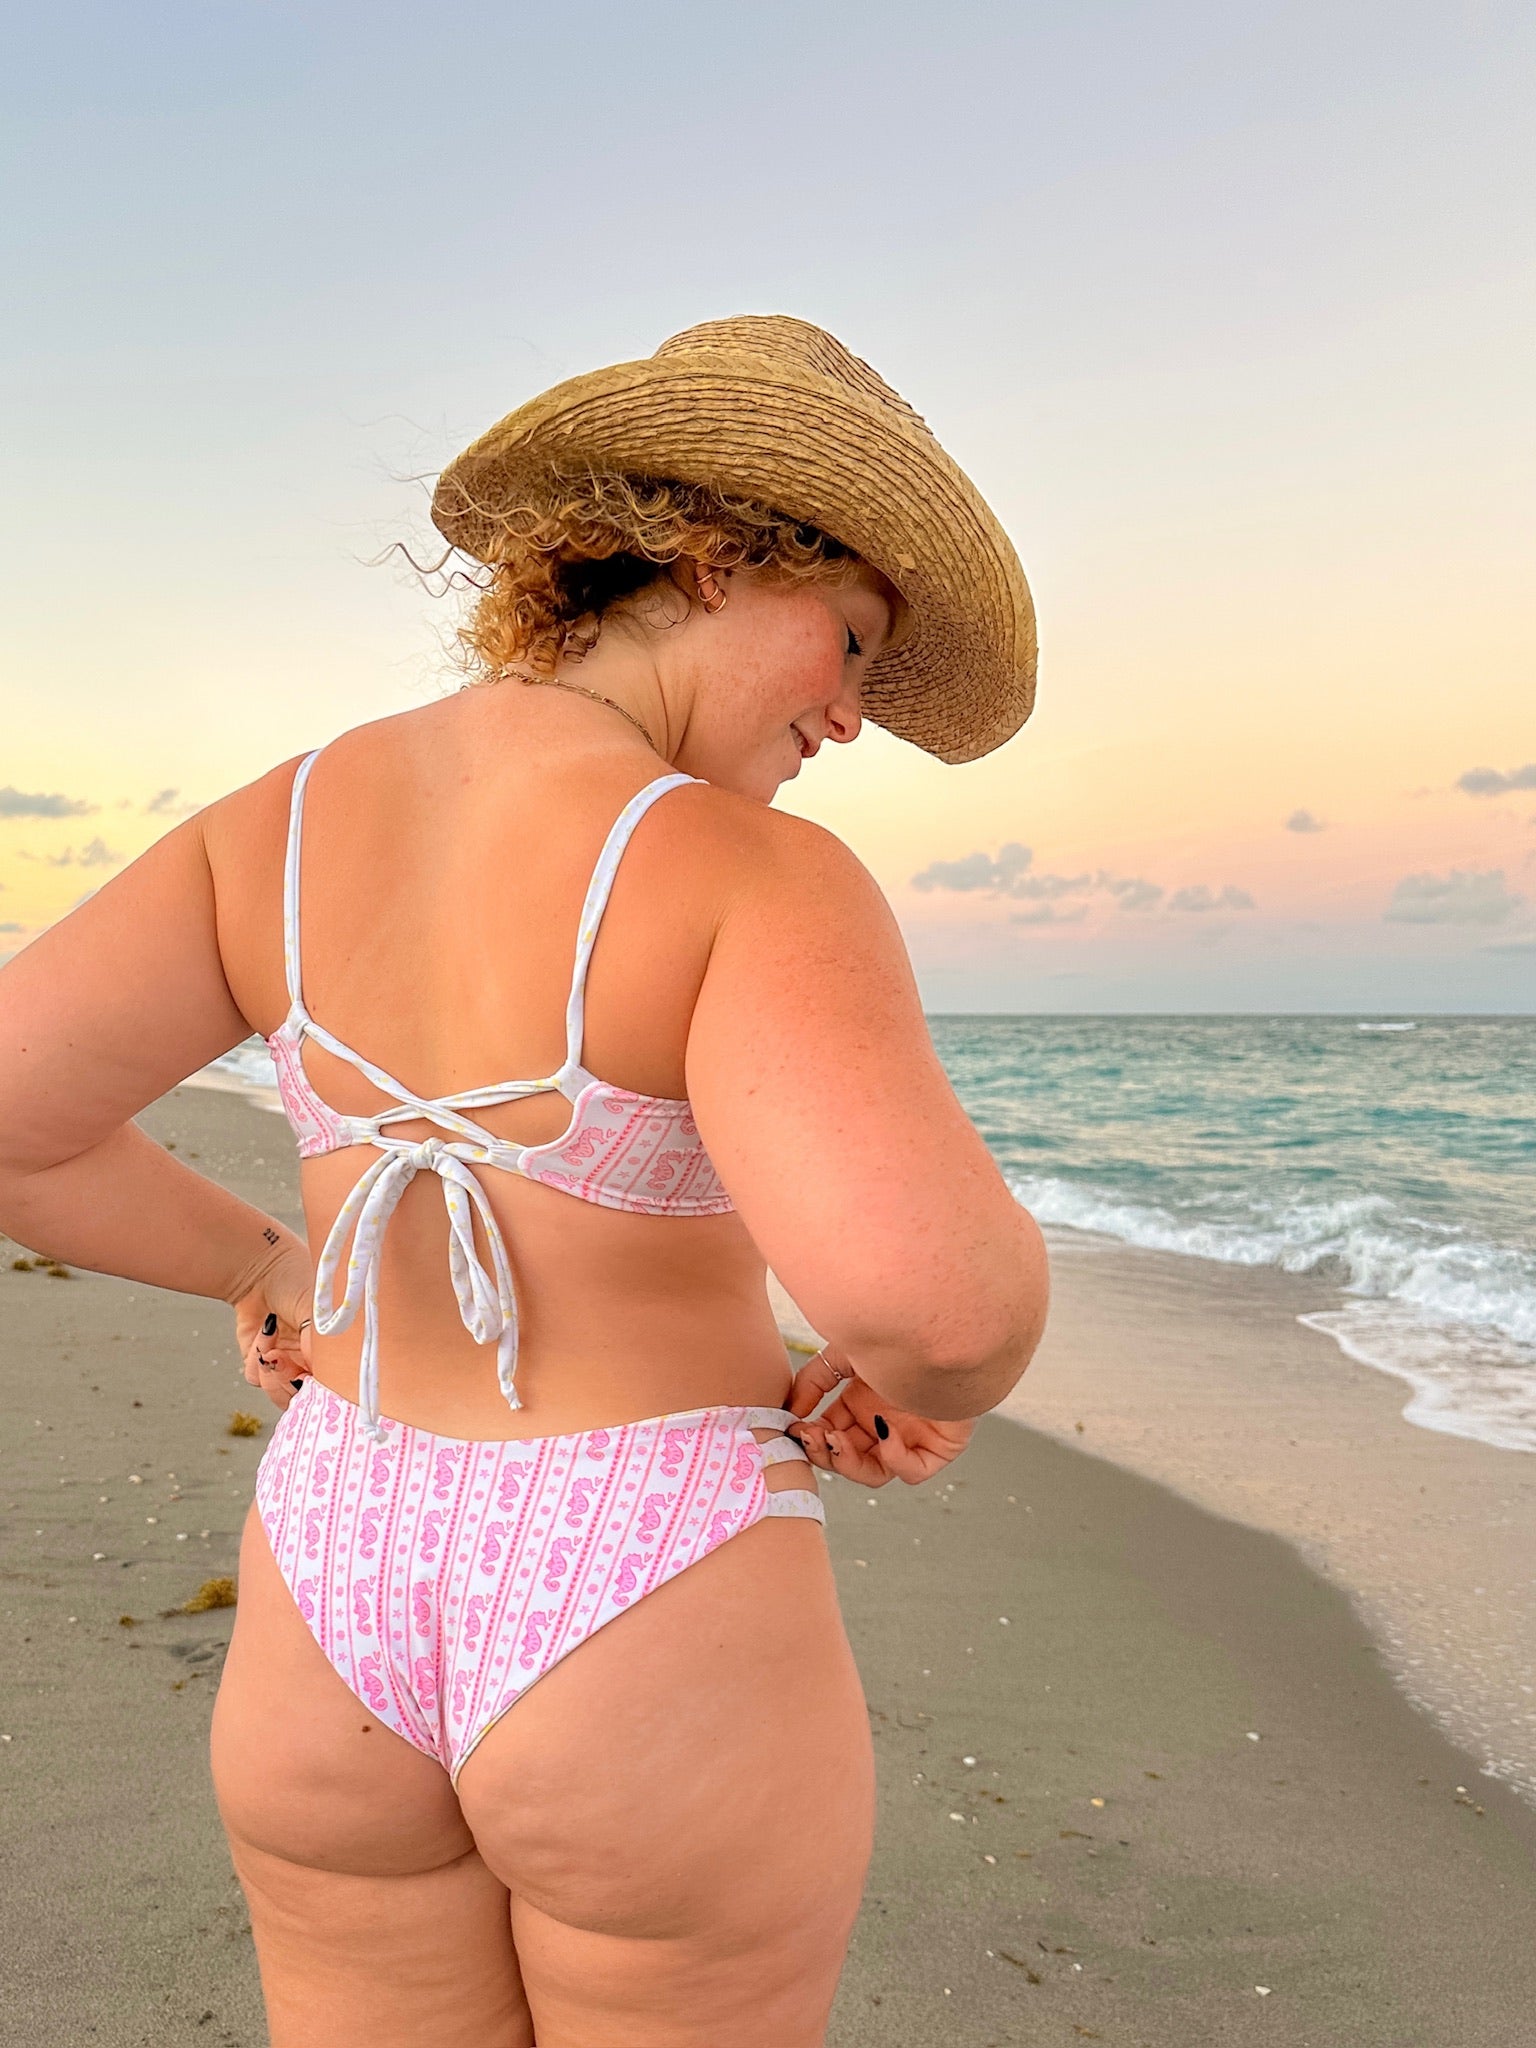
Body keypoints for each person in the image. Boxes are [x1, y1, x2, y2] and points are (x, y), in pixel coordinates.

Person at [0, 315, 1049, 2047]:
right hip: (646, 1580)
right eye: (855, 641)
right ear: (719, 551)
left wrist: (264, 1263)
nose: (854, 716)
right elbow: (941, 1307)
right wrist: (914, 1382)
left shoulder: (273, 827)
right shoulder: (749, 872)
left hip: (337, 1563)